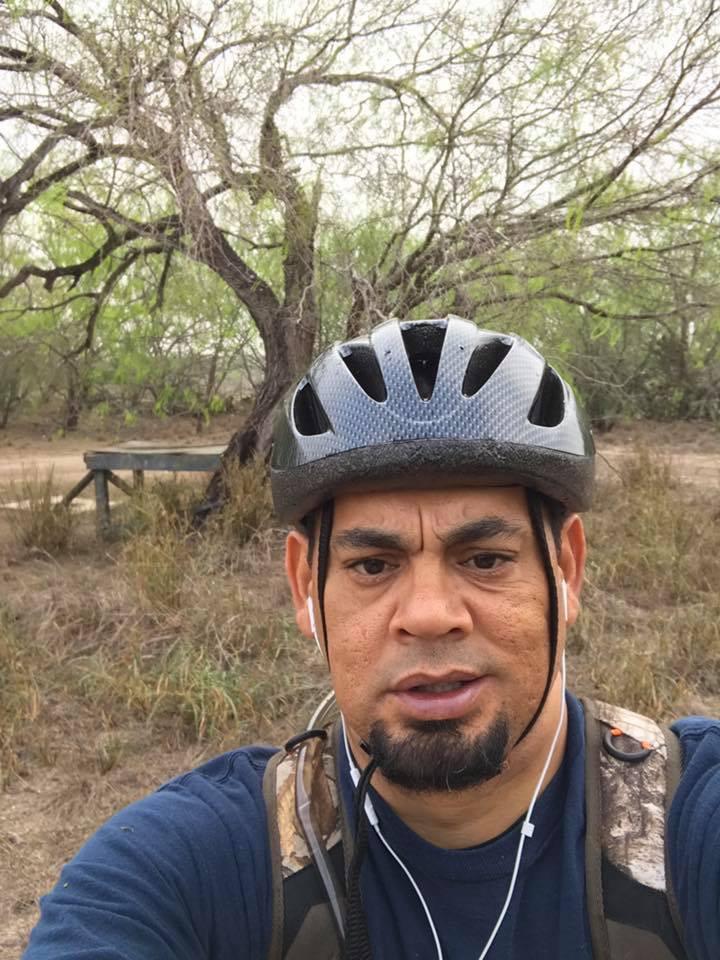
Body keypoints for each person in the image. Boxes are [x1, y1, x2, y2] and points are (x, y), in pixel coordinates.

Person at [22, 316, 720, 960]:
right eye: (373, 565)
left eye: (485, 559)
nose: (428, 614)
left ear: (566, 571)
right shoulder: (191, 867)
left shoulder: (690, 832)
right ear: (304, 586)